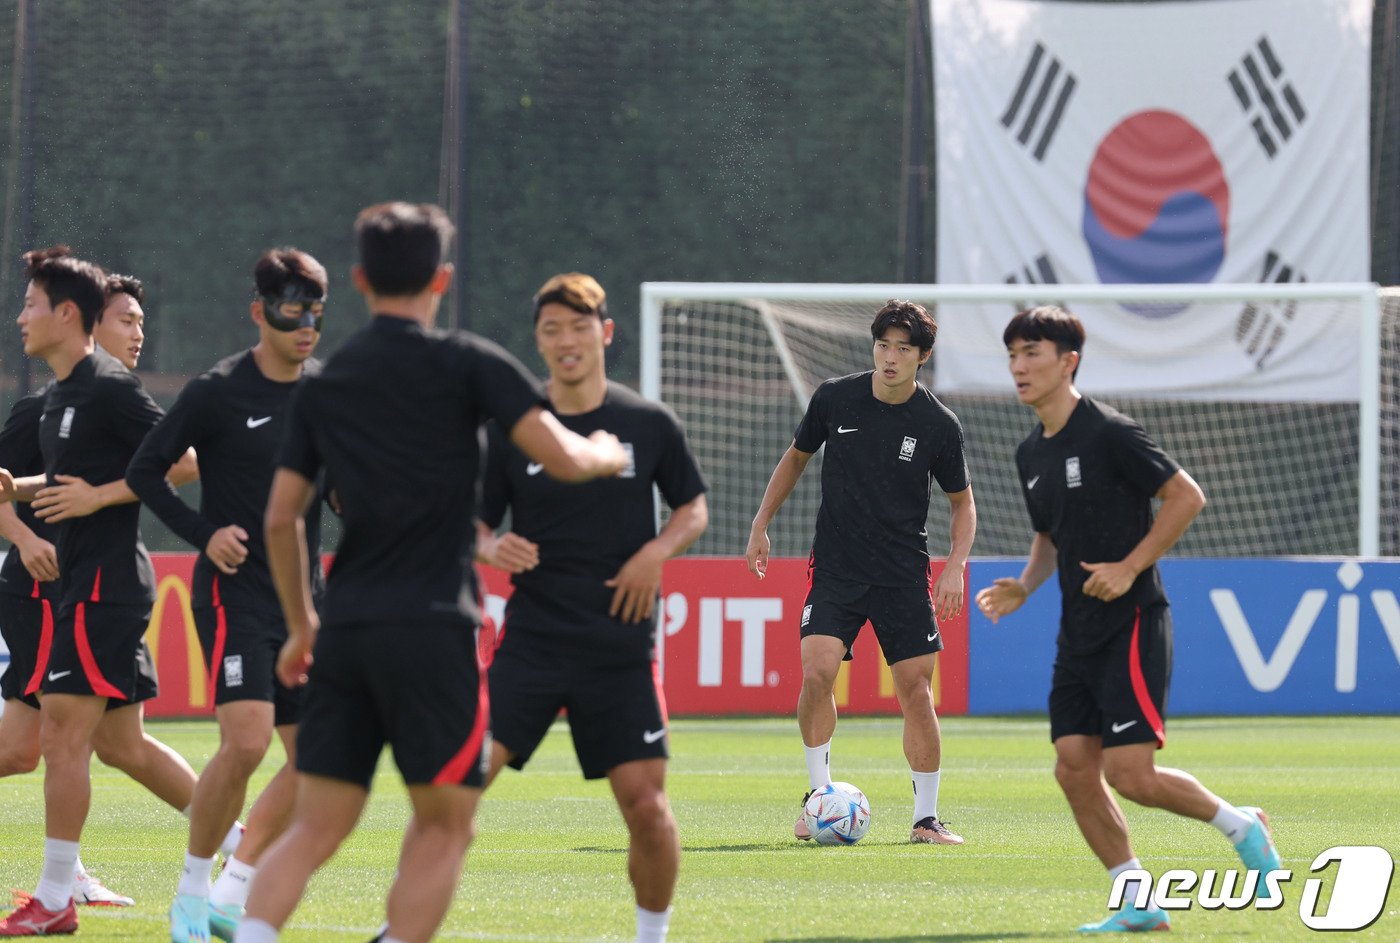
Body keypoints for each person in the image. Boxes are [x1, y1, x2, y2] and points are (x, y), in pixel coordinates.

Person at [235, 203, 628, 943]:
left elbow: (281, 518)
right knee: (447, 825)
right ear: (442, 279)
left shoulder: (327, 380)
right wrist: (607, 448)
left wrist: (300, 625)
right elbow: (570, 458)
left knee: (318, 826)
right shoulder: (470, 362)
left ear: (357, 279)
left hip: (346, 627)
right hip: (434, 628)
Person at [974, 305, 1283, 933]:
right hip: (1076, 631)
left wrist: (1129, 565)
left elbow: (1185, 496)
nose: (1019, 366)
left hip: (1132, 621)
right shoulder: (1030, 451)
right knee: (1072, 766)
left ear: (1069, 361)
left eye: (1032, 353)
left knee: (1130, 774)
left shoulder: (1111, 432)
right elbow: (1049, 538)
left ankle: (1242, 826)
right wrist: (1026, 587)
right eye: (1012, 355)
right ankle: (1137, 897)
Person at [475, 273, 708, 943]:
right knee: (457, 789)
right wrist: (491, 547)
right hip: (533, 642)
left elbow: (693, 507)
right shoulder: (515, 429)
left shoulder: (647, 421)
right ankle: (398, 927)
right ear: (539, 343)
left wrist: (653, 553)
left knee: (648, 809)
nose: (566, 340)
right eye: (552, 330)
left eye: (579, 326)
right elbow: (474, 523)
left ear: (605, 332)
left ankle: (651, 935)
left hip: (621, 649)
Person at [0, 249, 225, 937]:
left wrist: (101, 495)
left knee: (63, 738)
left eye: (32, 304)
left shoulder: (108, 386)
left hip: (102, 588)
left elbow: (183, 460)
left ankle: (57, 895)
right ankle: (240, 845)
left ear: (68, 314)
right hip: (79, 588)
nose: (21, 317)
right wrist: (24, 496)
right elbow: (68, 477)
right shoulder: (60, 396)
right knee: (118, 744)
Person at [127, 248, 330, 943]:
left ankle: (230, 887)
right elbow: (146, 469)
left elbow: (337, 487)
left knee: (317, 758)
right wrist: (203, 531)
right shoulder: (216, 391)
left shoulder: (326, 393)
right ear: (258, 311)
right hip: (233, 595)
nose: (305, 326)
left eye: (315, 313)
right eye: (290, 310)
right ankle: (188, 891)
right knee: (245, 742)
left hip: (304, 602)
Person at [745, 299, 976, 846]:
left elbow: (962, 503)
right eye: (883, 345)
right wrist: (760, 523)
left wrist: (954, 567)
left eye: (903, 349)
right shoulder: (835, 397)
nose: (890, 357)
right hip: (837, 569)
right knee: (817, 669)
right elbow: (796, 457)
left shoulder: (937, 423)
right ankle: (819, 796)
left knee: (916, 690)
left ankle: (925, 819)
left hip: (902, 574)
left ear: (922, 357)